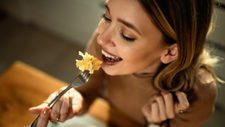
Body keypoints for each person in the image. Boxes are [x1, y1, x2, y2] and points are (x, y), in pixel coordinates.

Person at [29, 0, 220, 126]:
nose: (102, 38)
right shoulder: (104, 45)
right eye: (106, 17)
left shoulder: (199, 91)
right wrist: (76, 99)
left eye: (127, 36)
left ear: (171, 51)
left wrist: (155, 123)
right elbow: (86, 93)